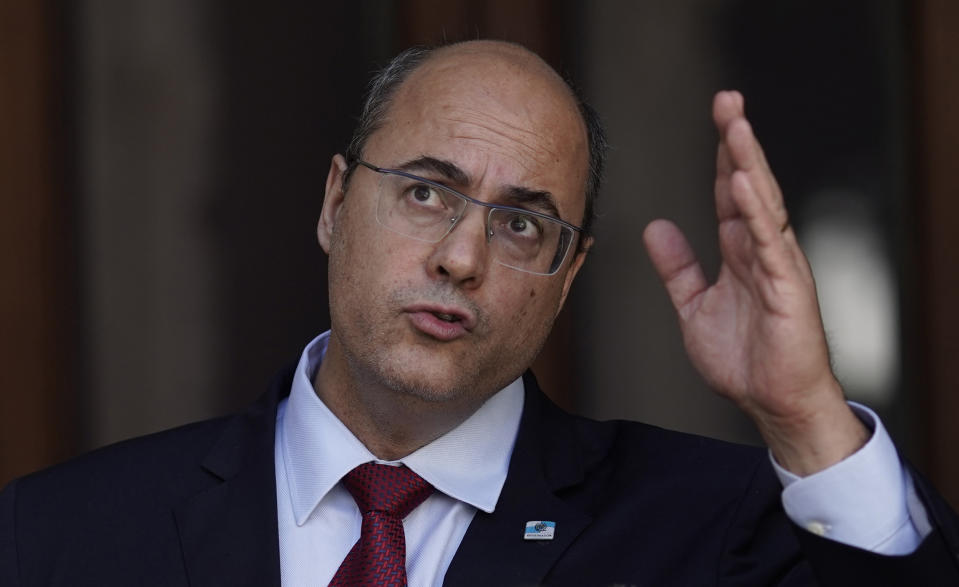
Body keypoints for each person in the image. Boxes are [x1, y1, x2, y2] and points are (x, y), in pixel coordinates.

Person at [2, 40, 958, 586]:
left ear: (569, 272)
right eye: (425, 192)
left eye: (521, 225)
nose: (462, 256)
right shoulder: (58, 536)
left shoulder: (709, 529)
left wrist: (806, 417)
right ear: (335, 202)